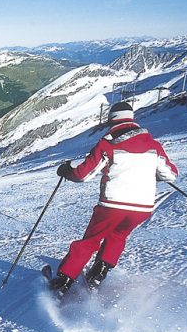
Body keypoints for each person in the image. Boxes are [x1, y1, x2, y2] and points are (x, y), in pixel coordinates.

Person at [48, 101, 178, 295]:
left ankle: (63, 282)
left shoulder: (107, 144)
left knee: (90, 241)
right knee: (118, 236)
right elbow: (171, 175)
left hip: (113, 204)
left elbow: (83, 175)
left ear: (112, 120)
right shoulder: (153, 145)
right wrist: (149, 173)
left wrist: (66, 171)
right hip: (142, 207)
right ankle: (97, 276)